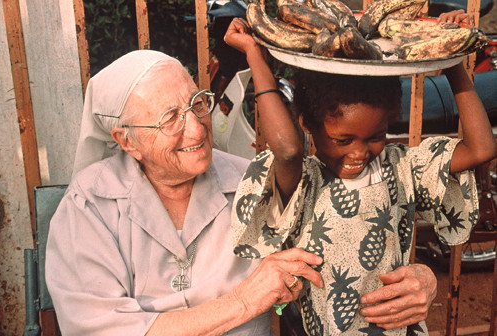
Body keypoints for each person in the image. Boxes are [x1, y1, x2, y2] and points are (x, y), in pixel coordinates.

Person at [224, 15, 497, 335]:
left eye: (375, 136)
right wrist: (254, 54)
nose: (359, 153)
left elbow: (480, 149)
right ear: (307, 125)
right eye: (344, 140)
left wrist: (453, 58)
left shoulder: (402, 167)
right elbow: (286, 149)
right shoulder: (302, 182)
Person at [45, 49, 325, 336]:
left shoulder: (252, 182)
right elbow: (101, 329)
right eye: (170, 118)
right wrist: (244, 300)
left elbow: (330, 244)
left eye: (197, 103)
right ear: (127, 142)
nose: (197, 129)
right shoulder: (89, 203)